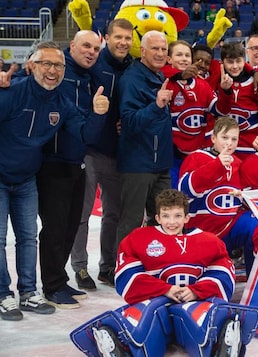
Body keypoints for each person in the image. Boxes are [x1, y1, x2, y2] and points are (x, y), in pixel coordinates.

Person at [70, 189, 258, 357]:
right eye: (166, 216)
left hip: (194, 301)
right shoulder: (138, 238)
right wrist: (165, 289)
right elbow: (126, 276)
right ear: (158, 218)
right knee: (143, 319)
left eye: (178, 216)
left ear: (186, 218)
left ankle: (222, 343)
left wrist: (196, 291)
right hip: (155, 301)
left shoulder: (209, 241)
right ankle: (121, 346)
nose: (172, 222)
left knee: (205, 317)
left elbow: (223, 272)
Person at [0, 41, 109, 321]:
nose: (52, 70)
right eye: (46, 64)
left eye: (58, 65)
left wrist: (98, 114)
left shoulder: (62, 101)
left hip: (26, 178)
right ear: (32, 65)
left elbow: (84, 134)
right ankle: (2, 295)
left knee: (27, 239)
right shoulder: (11, 91)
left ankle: (28, 293)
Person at [36, 30, 102, 309]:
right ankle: (51, 286)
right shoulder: (55, 72)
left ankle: (59, 278)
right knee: (55, 227)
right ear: (71, 46)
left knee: (69, 226)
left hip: (78, 161)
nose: (91, 52)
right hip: (52, 164)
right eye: (86, 46)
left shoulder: (89, 78)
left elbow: (83, 126)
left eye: (97, 49)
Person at [72, 19, 134, 290]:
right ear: (107, 38)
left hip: (117, 151)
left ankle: (108, 266)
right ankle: (80, 267)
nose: (123, 42)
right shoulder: (94, 61)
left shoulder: (133, 66)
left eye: (127, 38)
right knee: (83, 213)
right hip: (88, 149)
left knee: (113, 214)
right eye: (117, 37)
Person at [179, 117, 258, 274]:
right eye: (224, 137)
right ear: (213, 138)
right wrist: (216, 165)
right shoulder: (196, 157)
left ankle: (255, 282)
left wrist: (243, 196)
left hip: (229, 227)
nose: (229, 143)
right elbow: (185, 192)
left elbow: (250, 196)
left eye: (234, 139)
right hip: (200, 231)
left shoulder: (238, 163)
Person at [115, 31, 174, 250]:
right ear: (142, 51)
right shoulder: (132, 79)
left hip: (159, 163)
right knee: (131, 220)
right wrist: (156, 105)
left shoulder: (157, 75)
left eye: (163, 49)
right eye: (155, 49)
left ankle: (154, 263)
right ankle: (121, 267)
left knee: (162, 219)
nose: (160, 53)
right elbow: (129, 123)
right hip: (138, 163)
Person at [163, 40, 232, 187]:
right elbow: (162, 69)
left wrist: (226, 92)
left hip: (198, 151)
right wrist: (179, 74)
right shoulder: (164, 81)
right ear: (169, 59)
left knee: (195, 190)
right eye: (179, 55)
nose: (184, 58)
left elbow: (220, 110)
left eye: (187, 55)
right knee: (173, 193)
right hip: (171, 152)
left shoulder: (202, 84)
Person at [219, 41, 258, 159]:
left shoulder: (256, 81)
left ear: (244, 61)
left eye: (238, 61)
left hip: (251, 144)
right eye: (229, 62)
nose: (234, 66)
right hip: (224, 145)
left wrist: (254, 72)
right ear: (222, 62)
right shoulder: (216, 77)